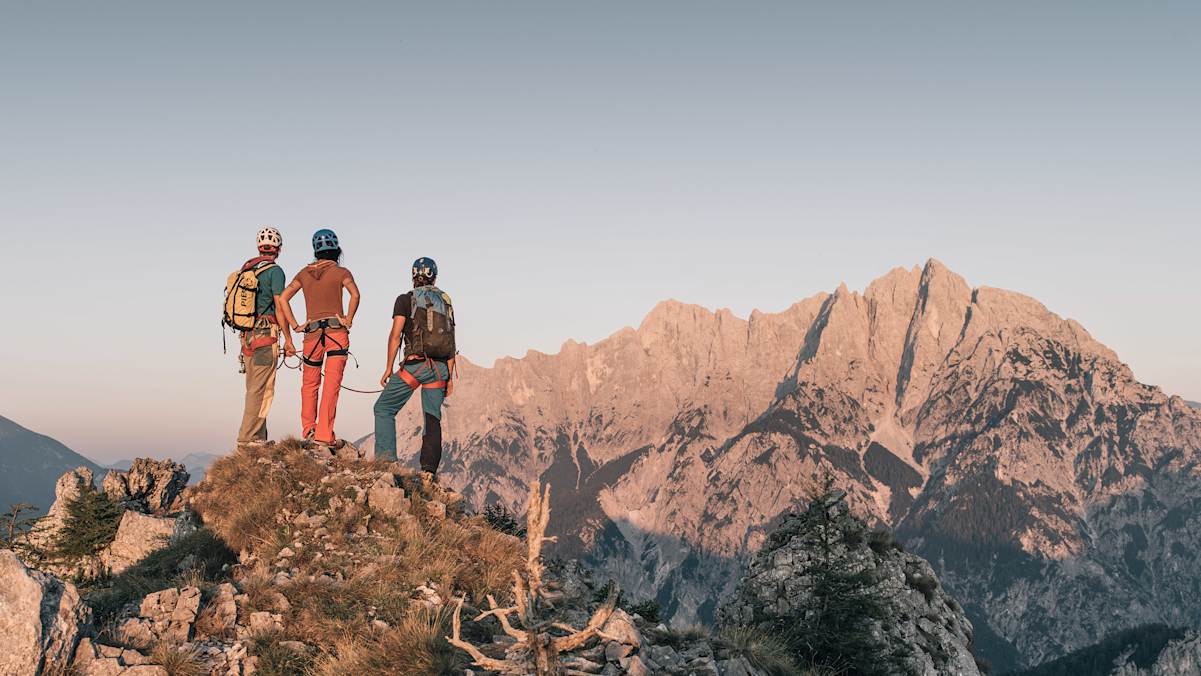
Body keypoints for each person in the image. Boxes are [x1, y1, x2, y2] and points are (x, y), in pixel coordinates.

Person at [373, 257, 457, 475]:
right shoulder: (445, 301)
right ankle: (428, 471)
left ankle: (386, 461)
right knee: (432, 417)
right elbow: (450, 340)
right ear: (434, 277)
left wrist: (388, 367)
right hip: (439, 369)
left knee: (384, 409)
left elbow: (395, 335)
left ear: (413, 277)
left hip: (415, 365)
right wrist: (449, 378)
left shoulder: (405, 299)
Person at [277, 228, 360, 448]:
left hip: (311, 335)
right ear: (336, 250)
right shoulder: (342, 272)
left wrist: (295, 325)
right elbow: (355, 294)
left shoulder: (304, 274)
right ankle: (325, 434)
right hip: (336, 333)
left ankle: (309, 430)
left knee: (309, 384)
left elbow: (284, 298)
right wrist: (348, 318)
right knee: (331, 383)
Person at [236, 227, 288, 445]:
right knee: (261, 387)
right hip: (266, 333)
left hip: (246, 334)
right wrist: (290, 338)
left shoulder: (247, 269)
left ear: (259, 247)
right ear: (279, 249)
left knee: (253, 386)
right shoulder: (275, 272)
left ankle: (257, 437)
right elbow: (279, 305)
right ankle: (247, 440)